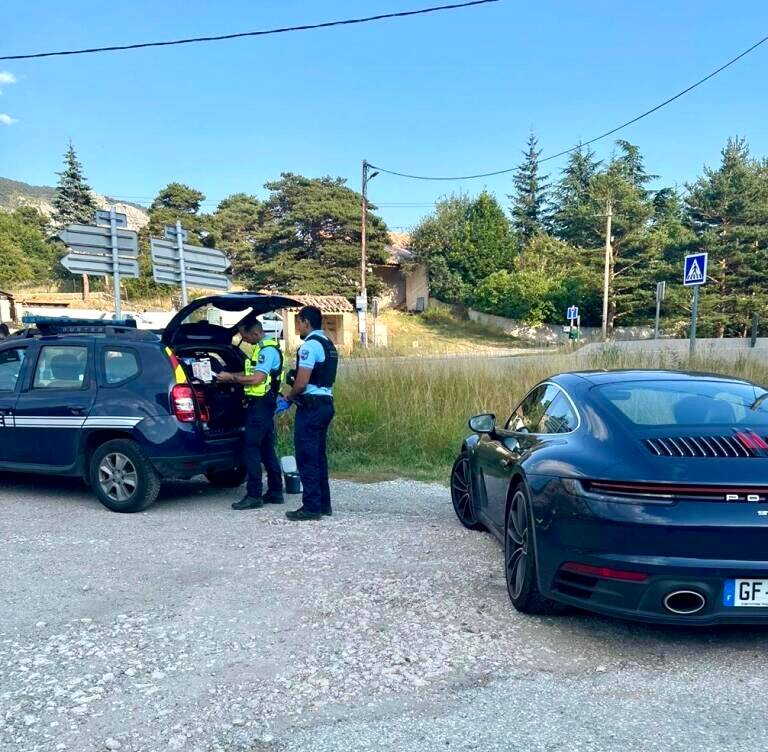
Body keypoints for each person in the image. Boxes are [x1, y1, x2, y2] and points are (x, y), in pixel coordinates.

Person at [218, 320, 284, 510]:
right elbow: (252, 371)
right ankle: (275, 491)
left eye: (245, 336)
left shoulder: (266, 351)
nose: (243, 340)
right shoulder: (264, 349)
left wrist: (231, 378)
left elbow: (257, 378)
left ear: (255, 333)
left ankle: (254, 494)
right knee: (266, 448)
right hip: (264, 404)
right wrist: (229, 373)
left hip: (261, 405)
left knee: (250, 448)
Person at [282, 305, 338, 521]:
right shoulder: (328, 344)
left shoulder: (309, 346)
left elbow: (302, 383)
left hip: (311, 407)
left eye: (298, 322)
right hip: (326, 404)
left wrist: (289, 395)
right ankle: (324, 504)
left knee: (307, 457)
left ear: (305, 321)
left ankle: (311, 507)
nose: (297, 327)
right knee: (319, 457)